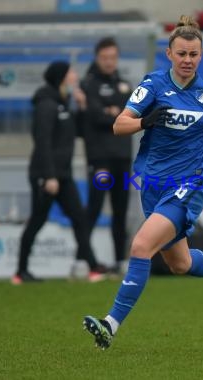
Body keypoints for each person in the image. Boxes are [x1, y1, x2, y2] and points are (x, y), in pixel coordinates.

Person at [82, 15, 203, 349]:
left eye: (193, 54)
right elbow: (118, 125)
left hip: (189, 185)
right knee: (180, 264)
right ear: (169, 54)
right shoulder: (152, 85)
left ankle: (110, 325)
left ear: (201, 55)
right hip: (153, 184)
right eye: (181, 53)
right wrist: (145, 120)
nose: (187, 60)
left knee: (141, 247)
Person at [12, 60, 107, 285]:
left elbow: (79, 132)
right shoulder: (46, 104)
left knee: (79, 218)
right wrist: (49, 176)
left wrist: (83, 108)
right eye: (71, 72)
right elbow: (42, 141)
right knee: (37, 220)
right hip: (47, 174)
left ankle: (92, 266)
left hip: (63, 175)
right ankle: (20, 272)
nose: (75, 75)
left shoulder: (64, 103)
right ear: (62, 77)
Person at [80, 37, 133, 275]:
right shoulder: (88, 84)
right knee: (94, 209)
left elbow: (129, 116)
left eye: (113, 57)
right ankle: (83, 260)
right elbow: (96, 116)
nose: (109, 62)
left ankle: (120, 261)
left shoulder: (124, 84)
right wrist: (113, 113)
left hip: (122, 157)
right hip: (100, 158)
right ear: (97, 58)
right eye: (105, 58)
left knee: (120, 211)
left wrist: (110, 111)